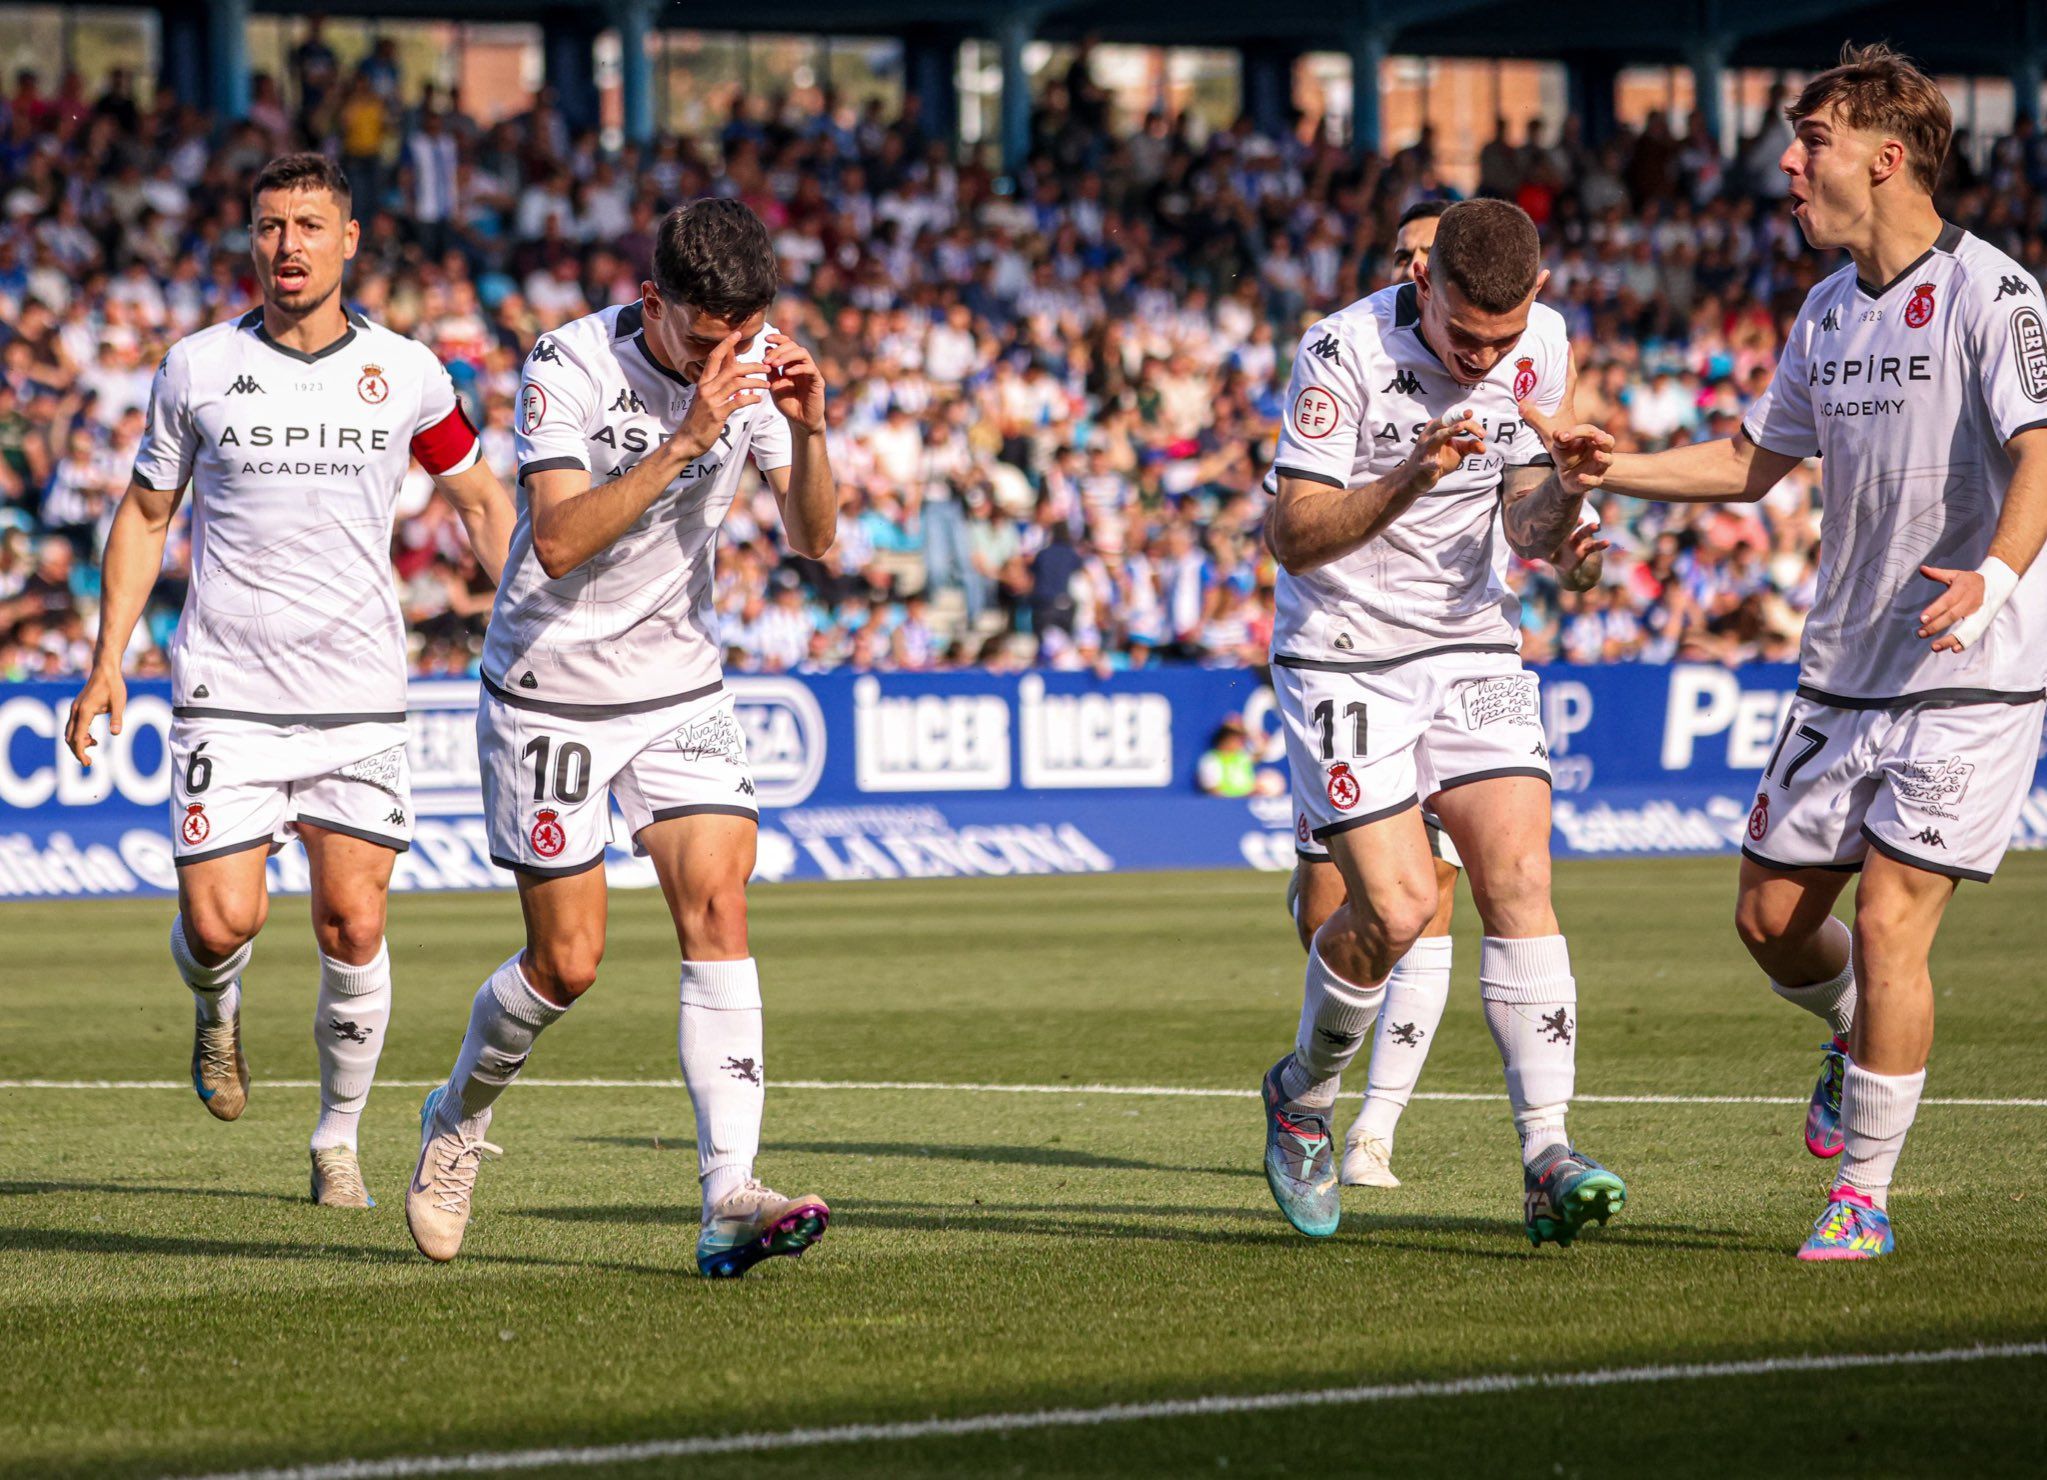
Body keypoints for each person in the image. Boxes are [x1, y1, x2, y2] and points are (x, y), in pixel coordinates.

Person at [1553, 44, 2047, 1260]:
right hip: (1842, 667)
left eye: (1810, 139)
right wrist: (1611, 468)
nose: (1787, 161)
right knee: (1771, 918)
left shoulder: (1997, 296)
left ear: (1883, 158)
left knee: (1889, 924)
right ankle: (1850, 1037)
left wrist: (1991, 577)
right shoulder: (1825, 312)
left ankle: (1861, 1195)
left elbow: (2045, 451)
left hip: (1968, 667)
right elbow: (1748, 463)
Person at [63, 153, 513, 1207]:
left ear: (348, 240)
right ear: (251, 241)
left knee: (352, 923)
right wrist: (105, 662)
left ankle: (337, 1138)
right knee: (223, 922)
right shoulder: (195, 368)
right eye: (270, 226)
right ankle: (215, 1007)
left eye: (309, 225)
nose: (289, 246)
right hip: (229, 686)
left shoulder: (407, 372)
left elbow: (482, 500)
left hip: (358, 691)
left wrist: (543, 611)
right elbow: (143, 514)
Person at [403, 199, 840, 1278]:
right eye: (707, 333)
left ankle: (728, 1194)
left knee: (719, 902)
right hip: (549, 682)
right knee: (569, 961)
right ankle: (456, 1116)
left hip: (676, 680)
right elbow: (552, 540)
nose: (727, 353)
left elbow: (816, 539)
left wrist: (814, 430)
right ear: (654, 304)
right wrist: (691, 434)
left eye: (744, 330)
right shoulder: (570, 363)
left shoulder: (757, 365)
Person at [1258, 198, 1622, 1247]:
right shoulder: (1340, 349)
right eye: (1463, 334)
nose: (1481, 356)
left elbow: (1523, 519)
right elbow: (1292, 535)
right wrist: (1409, 473)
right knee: (1398, 909)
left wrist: (1564, 510)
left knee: (1517, 875)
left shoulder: (1539, 346)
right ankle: (1303, 1095)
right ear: (1423, 284)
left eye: (1499, 339)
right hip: (1345, 650)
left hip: (1471, 639)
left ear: (1534, 305)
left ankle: (1546, 1154)